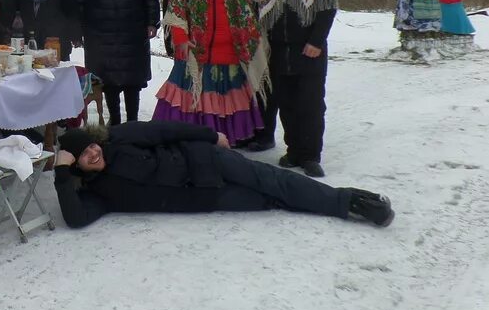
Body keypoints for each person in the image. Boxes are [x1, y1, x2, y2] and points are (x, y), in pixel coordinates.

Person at [52, 122, 394, 229]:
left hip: (207, 161)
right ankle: (337, 202)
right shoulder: (98, 192)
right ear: (79, 166)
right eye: (83, 156)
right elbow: (76, 218)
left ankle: (351, 201)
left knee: (272, 180)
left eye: (90, 147)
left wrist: (208, 136)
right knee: (270, 200)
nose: (92, 153)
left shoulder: (120, 138)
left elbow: (163, 130)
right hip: (205, 197)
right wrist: (61, 173)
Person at [152, 0, 268, 144]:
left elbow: (244, 5)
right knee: (194, 97)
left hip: (230, 48)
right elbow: (176, 8)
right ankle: (193, 139)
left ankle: (230, 138)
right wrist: (180, 39)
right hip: (196, 49)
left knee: (225, 97)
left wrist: (249, 40)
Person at [253, 0, 338, 178]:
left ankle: (311, 155)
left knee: (310, 104)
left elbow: (327, 6)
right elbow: (258, 7)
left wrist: (316, 41)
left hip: (308, 49)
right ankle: (293, 151)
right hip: (277, 50)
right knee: (286, 103)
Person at [76, 0, 160, 124]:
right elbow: (79, 1)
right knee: (108, 82)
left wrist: (152, 22)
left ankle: (132, 122)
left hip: (132, 33)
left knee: (133, 81)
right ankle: (114, 121)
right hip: (100, 35)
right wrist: (78, 29)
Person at [231, 0, 278, 152]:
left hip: (265, 33)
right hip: (237, 35)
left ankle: (265, 134)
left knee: (264, 83)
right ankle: (245, 131)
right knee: (242, 86)